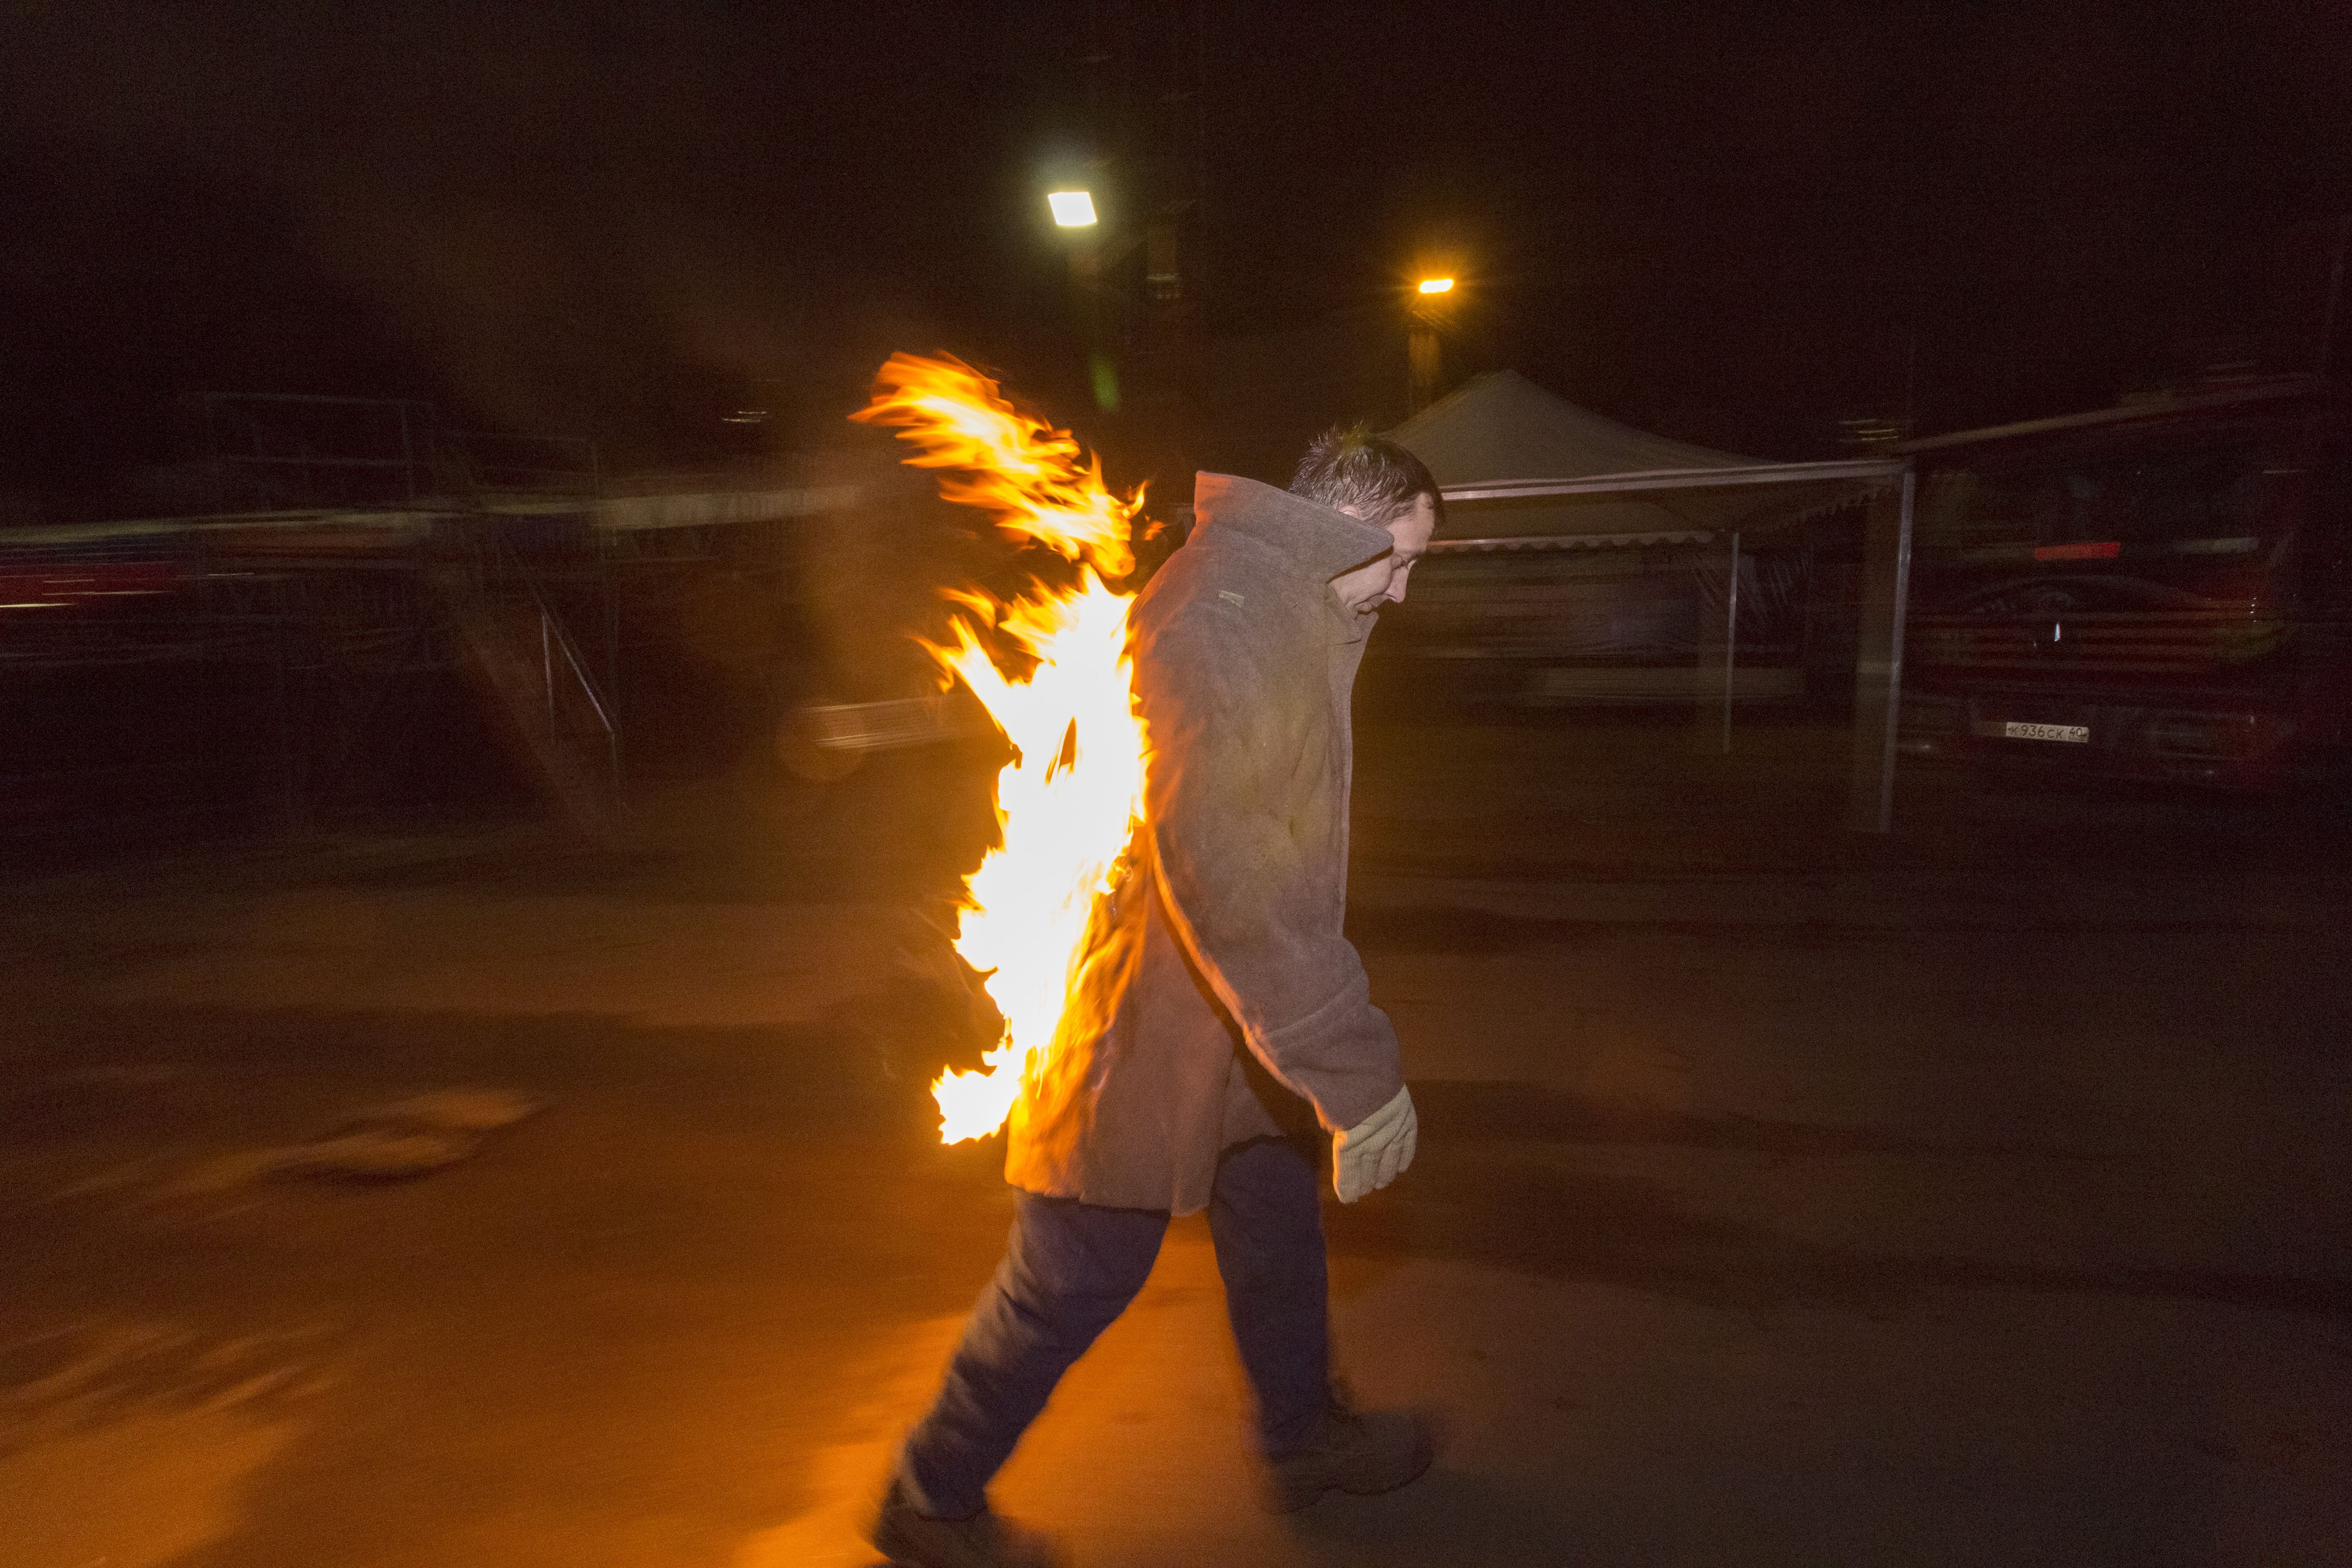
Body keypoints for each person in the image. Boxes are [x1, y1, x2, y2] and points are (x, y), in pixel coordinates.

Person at [871, 426, 1444, 1568]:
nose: (1407, 588)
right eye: (1404, 558)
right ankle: (929, 1500)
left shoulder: (1287, 596)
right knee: (1075, 1274)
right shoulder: (1225, 617)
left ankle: (1302, 1438)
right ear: (1345, 526)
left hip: (1231, 1023)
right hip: (1145, 1023)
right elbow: (1225, 864)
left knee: (1276, 1218)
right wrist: (1348, 1059)